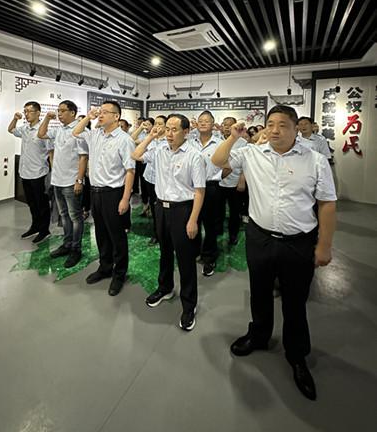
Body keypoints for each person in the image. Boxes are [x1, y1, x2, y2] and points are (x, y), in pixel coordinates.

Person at [212, 105, 337, 401]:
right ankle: (259, 335)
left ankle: (297, 354)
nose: (275, 129)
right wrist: (234, 136)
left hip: (299, 242)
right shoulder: (252, 154)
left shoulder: (315, 160)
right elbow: (218, 161)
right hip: (260, 238)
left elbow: (327, 203)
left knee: (295, 301)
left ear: (296, 129)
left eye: (283, 124)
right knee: (259, 292)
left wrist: (324, 245)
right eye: (271, 124)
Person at [132, 114, 205, 331]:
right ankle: (165, 288)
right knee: (165, 252)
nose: (169, 134)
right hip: (161, 208)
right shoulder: (159, 150)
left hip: (183, 210)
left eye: (174, 129)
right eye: (167, 129)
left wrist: (193, 220)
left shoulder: (194, 155)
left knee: (185, 260)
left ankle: (189, 305)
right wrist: (151, 136)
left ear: (186, 132)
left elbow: (199, 191)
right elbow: (136, 154)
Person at [72, 101, 135, 296]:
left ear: (116, 117)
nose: (100, 115)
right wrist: (88, 117)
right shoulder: (95, 134)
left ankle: (119, 274)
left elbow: (130, 171)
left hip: (113, 193)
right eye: (100, 112)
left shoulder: (124, 140)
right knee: (101, 233)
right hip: (95, 192)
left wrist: (125, 199)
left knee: (117, 236)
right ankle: (105, 267)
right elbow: (76, 132)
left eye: (105, 112)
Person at [38, 101, 88, 268]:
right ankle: (67, 244)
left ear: (72, 113)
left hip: (71, 181)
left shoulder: (80, 131)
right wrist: (47, 118)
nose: (59, 114)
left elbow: (83, 157)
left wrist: (79, 180)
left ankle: (76, 249)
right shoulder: (59, 130)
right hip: (58, 180)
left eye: (62, 111)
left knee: (75, 217)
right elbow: (41, 134)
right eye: (58, 111)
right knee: (64, 215)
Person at [8, 101, 52, 243]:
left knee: (42, 204)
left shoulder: (43, 131)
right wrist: (15, 118)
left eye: (29, 111)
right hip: (25, 172)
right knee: (32, 203)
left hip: (39, 173)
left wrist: (53, 174)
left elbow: (51, 152)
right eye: (25, 111)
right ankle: (35, 226)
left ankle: (44, 230)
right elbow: (11, 129)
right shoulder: (25, 128)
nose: (26, 114)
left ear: (38, 113)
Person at [189, 111, 223, 276]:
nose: (203, 123)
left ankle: (209, 256)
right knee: (192, 220)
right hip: (192, 188)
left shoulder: (220, 143)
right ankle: (194, 250)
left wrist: (216, 179)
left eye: (206, 121)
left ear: (213, 124)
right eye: (200, 121)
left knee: (210, 225)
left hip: (211, 187)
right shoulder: (189, 142)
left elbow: (228, 167)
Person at [133, 115, 168, 245]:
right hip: (149, 178)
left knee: (163, 208)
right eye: (156, 124)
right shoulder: (150, 139)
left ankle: (165, 233)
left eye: (160, 124)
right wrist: (149, 135)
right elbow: (133, 144)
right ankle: (156, 233)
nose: (157, 126)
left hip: (163, 180)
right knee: (154, 208)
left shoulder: (169, 141)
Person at [131, 117, 155, 215]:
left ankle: (151, 208)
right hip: (142, 162)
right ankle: (145, 206)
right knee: (144, 186)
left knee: (151, 188)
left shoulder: (155, 137)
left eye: (149, 124)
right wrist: (140, 127)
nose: (147, 126)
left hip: (150, 164)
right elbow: (132, 139)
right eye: (146, 124)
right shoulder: (144, 135)